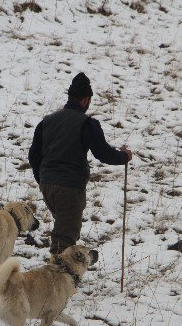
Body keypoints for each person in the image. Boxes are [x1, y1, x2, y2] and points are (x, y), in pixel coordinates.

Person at [28, 72, 133, 256]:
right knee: (64, 238)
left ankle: (62, 277)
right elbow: (103, 153)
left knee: (63, 228)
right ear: (85, 100)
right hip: (69, 188)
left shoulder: (46, 121)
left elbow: (33, 155)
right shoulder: (86, 123)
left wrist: (43, 179)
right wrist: (124, 157)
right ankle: (57, 279)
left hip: (47, 185)